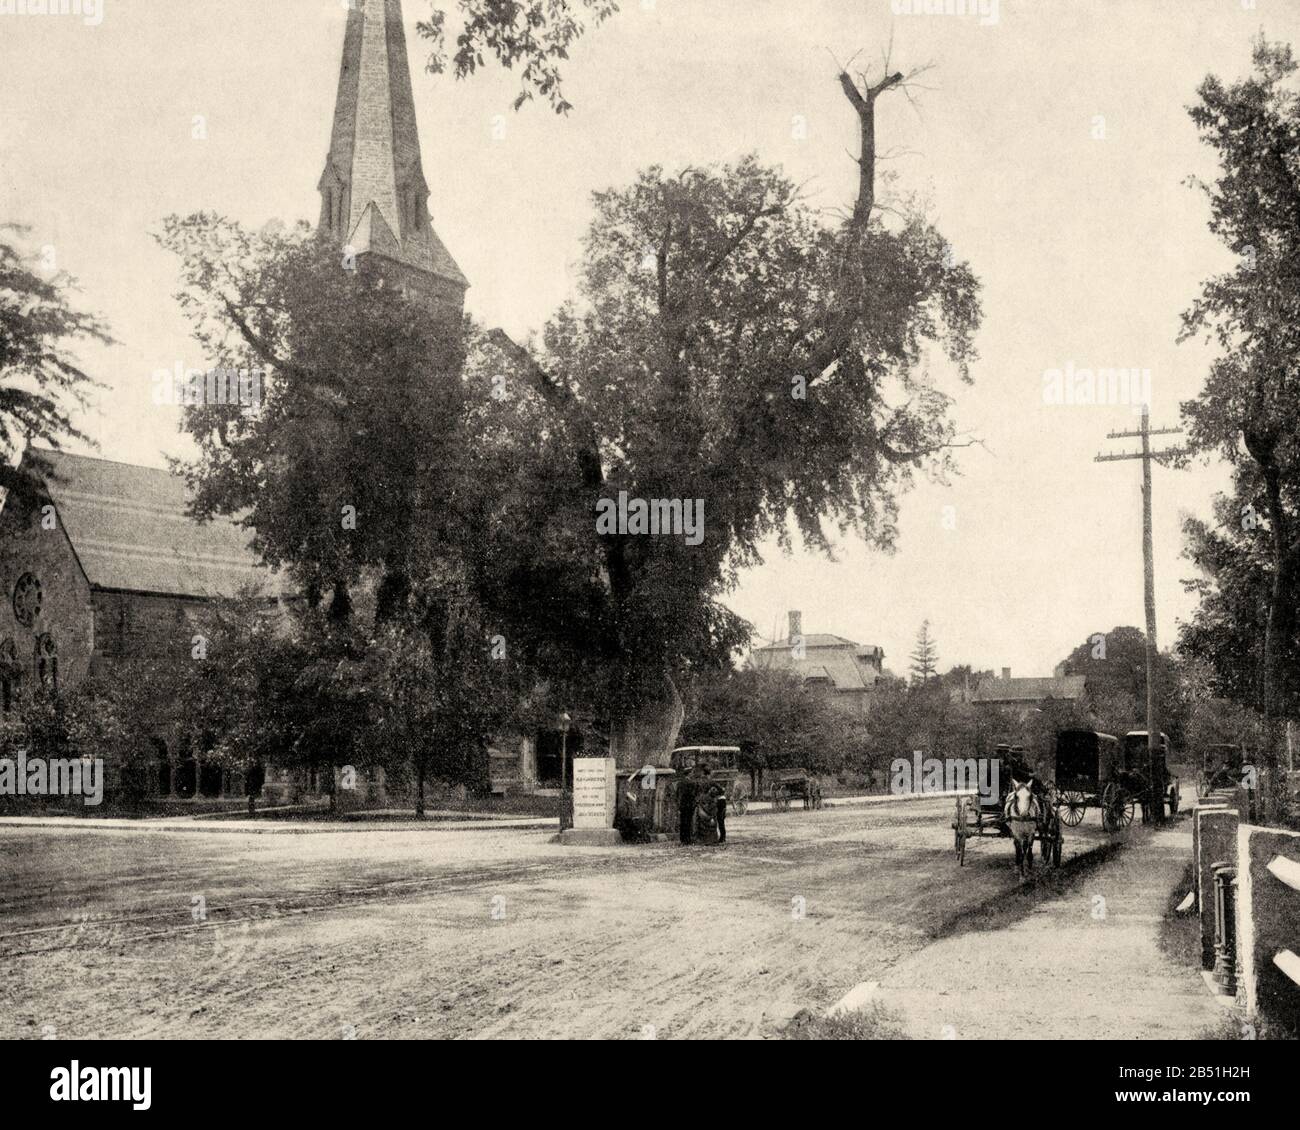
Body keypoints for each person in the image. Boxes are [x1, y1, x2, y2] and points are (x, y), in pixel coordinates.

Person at [678, 764, 698, 844]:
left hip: (682, 805)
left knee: (683, 822)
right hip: (689, 805)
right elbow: (693, 794)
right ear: (689, 773)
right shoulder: (691, 783)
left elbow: (677, 794)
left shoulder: (680, 783)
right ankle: (688, 839)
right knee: (689, 822)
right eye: (692, 772)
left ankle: (682, 839)